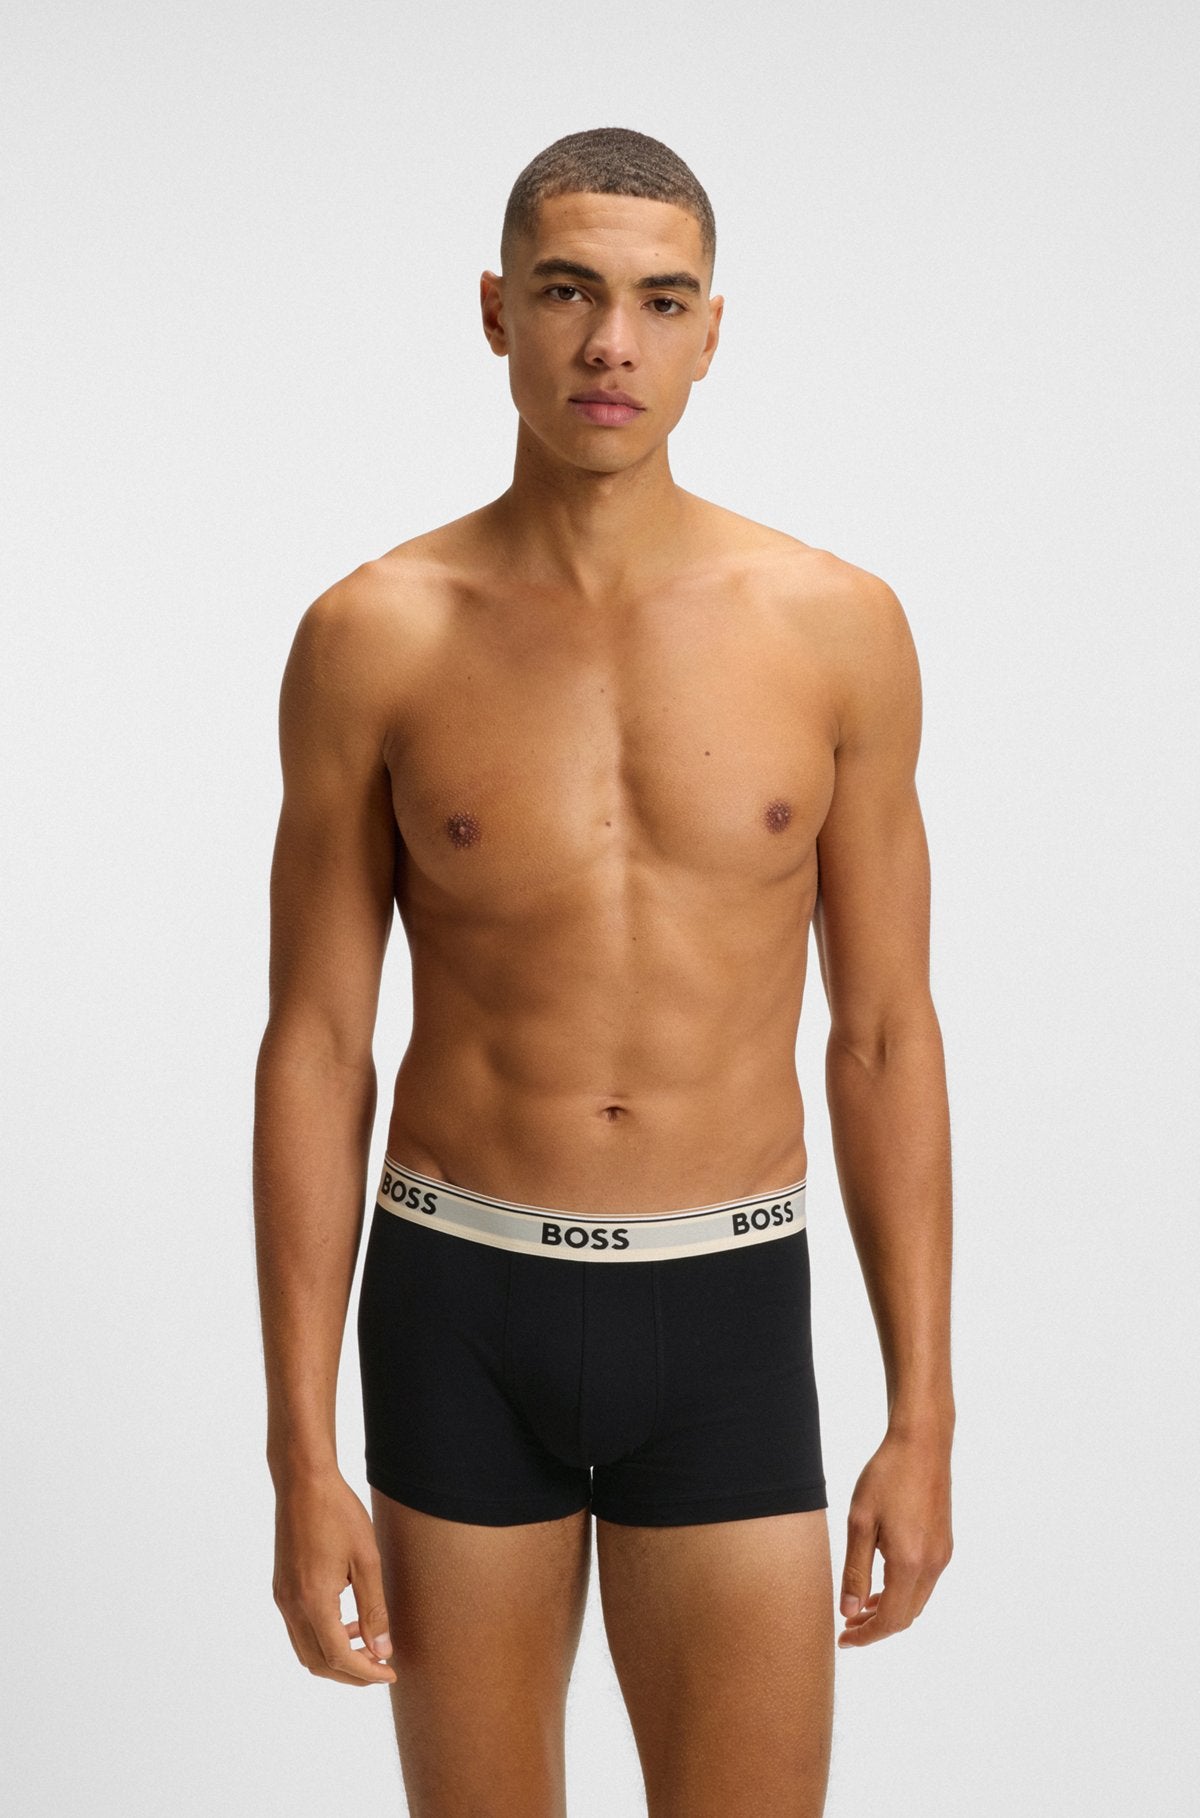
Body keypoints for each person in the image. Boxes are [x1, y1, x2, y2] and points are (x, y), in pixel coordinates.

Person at [253, 124, 955, 1818]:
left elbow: (881, 1033)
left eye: (660, 301)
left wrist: (924, 1410)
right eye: (568, 293)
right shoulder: (374, 633)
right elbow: (320, 1043)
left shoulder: (835, 627)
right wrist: (299, 1452)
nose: (611, 345)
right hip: (460, 1298)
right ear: (498, 311)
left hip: (725, 1305)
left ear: (715, 331)